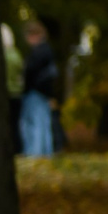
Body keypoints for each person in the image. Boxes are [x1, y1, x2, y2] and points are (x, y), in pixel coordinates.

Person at [19, 20, 61, 157]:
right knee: (43, 123)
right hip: (43, 92)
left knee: (35, 123)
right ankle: (45, 153)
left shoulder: (38, 53)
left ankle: (35, 153)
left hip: (35, 91)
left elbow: (30, 72)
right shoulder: (46, 51)